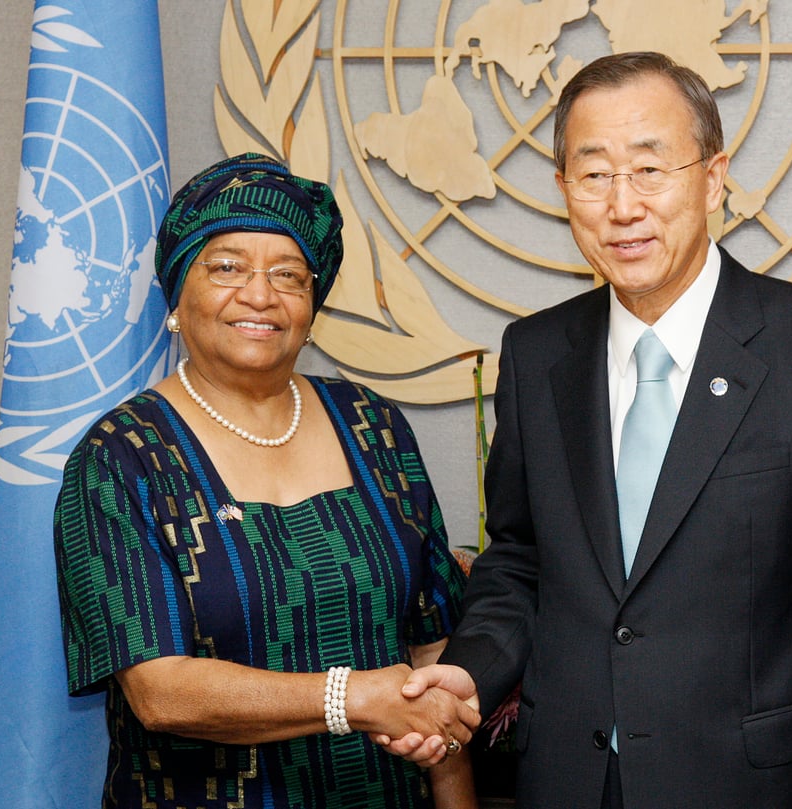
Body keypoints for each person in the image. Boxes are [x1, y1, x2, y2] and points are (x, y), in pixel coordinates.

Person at [386, 52, 792, 807]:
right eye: (594, 175)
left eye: (650, 169)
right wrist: (467, 671)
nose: (622, 205)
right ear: (564, 190)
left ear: (712, 176)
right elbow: (522, 560)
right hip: (566, 778)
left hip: (749, 784)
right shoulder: (536, 354)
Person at [53, 153, 479, 809]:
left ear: (311, 303)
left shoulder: (373, 426)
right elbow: (160, 691)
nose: (260, 294)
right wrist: (352, 697)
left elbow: (432, 656)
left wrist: (455, 796)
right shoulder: (123, 456)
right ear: (177, 293)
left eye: (288, 275)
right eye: (226, 267)